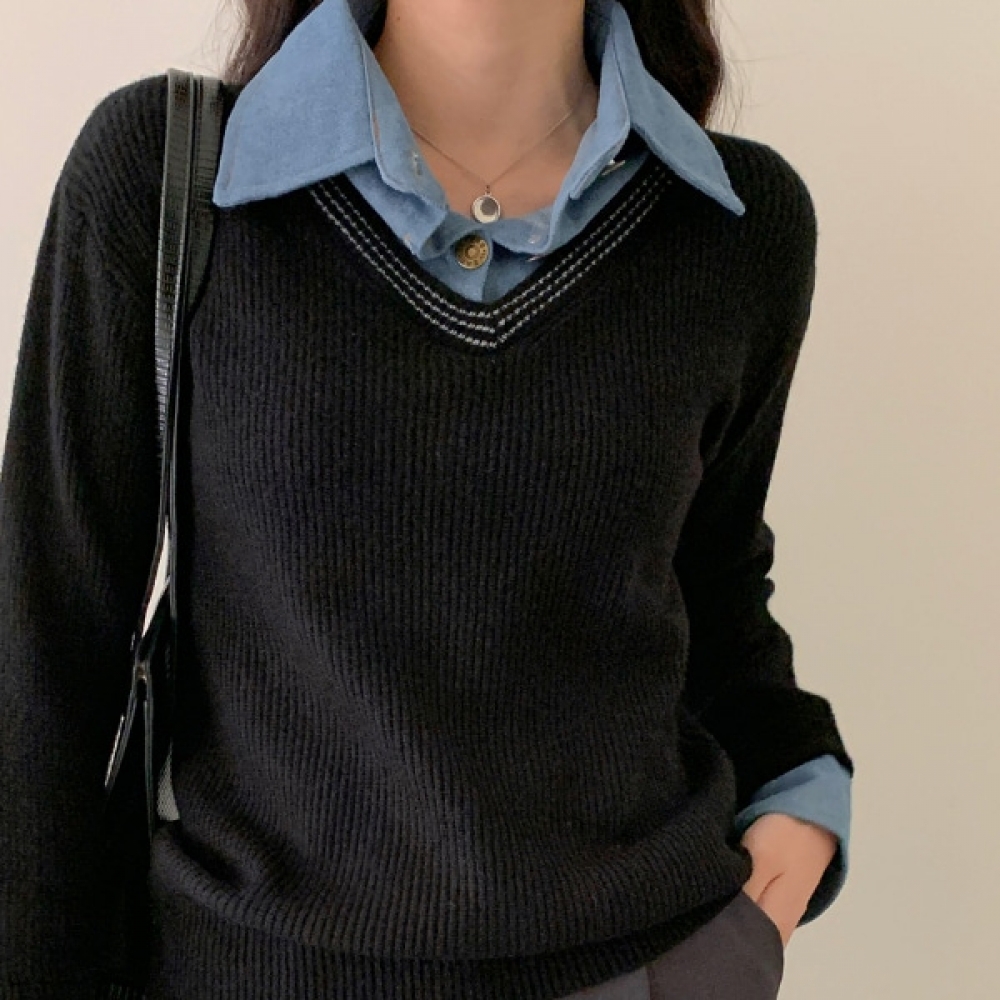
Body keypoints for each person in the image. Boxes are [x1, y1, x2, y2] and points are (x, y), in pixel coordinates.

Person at [0, 0, 855, 998]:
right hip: (248, 968)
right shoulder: (167, 174)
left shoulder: (740, 223)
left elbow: (711, 586)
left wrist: (801, 790)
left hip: (645, 957)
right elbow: (46, 646)